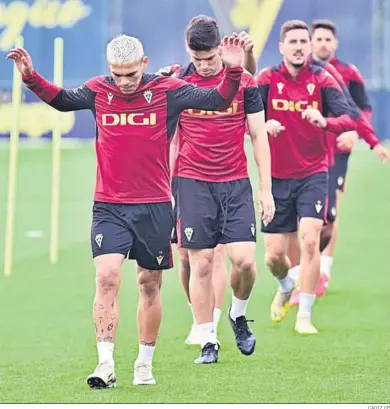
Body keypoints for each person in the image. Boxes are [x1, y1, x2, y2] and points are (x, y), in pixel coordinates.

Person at [7, 34, 245, 386]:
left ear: (144, 64)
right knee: (106, 278)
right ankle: (105, 364)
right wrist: (29, 75)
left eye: (131, 74)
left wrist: (235, 69)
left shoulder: (168, 90)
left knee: (148, 284)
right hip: (109, 205)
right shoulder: (97, 90)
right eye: (117, 75)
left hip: (154, 206)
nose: (124, 82)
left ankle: (144, 363)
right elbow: (60, 100)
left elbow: (219, 98)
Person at [164, 15, 274, 363]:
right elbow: (166, 139)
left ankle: (237, 314)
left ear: (221, 48)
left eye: (210, 58)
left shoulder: (244, 82)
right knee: (201, 262)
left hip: (235, 183)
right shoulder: (178, 82)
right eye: (198, 60)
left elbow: (258, 136)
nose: (205, 66)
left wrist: (265, 190)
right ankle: (207, 339)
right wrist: (165, 188)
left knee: (243, 262)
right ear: (188, 51)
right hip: (193, 183)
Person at [256, 20, 356, 334]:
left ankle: (304, 316)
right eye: (293, 42)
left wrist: (325, 121)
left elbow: (348, 116)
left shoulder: (323, 79)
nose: (299, 46)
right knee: (274, 256)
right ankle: (286, 285)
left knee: (310, 240)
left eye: (304, 41)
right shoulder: (267, 79)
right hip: (276, 177)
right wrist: (263, 126)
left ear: (309, 47)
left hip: (314, 172)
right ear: (281, 47)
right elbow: (246, 117)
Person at [310, 19, 390, 281]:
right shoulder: (302, 71)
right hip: (307, 150)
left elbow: (362, 108)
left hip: (337, 150)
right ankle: (301, 268)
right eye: (318, 39)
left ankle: (324, 268)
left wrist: (355, 132)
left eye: (327, 39)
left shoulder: (348, 73)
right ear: (311, 42)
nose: (323, 43)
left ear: (335, 43)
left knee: (330, 209)